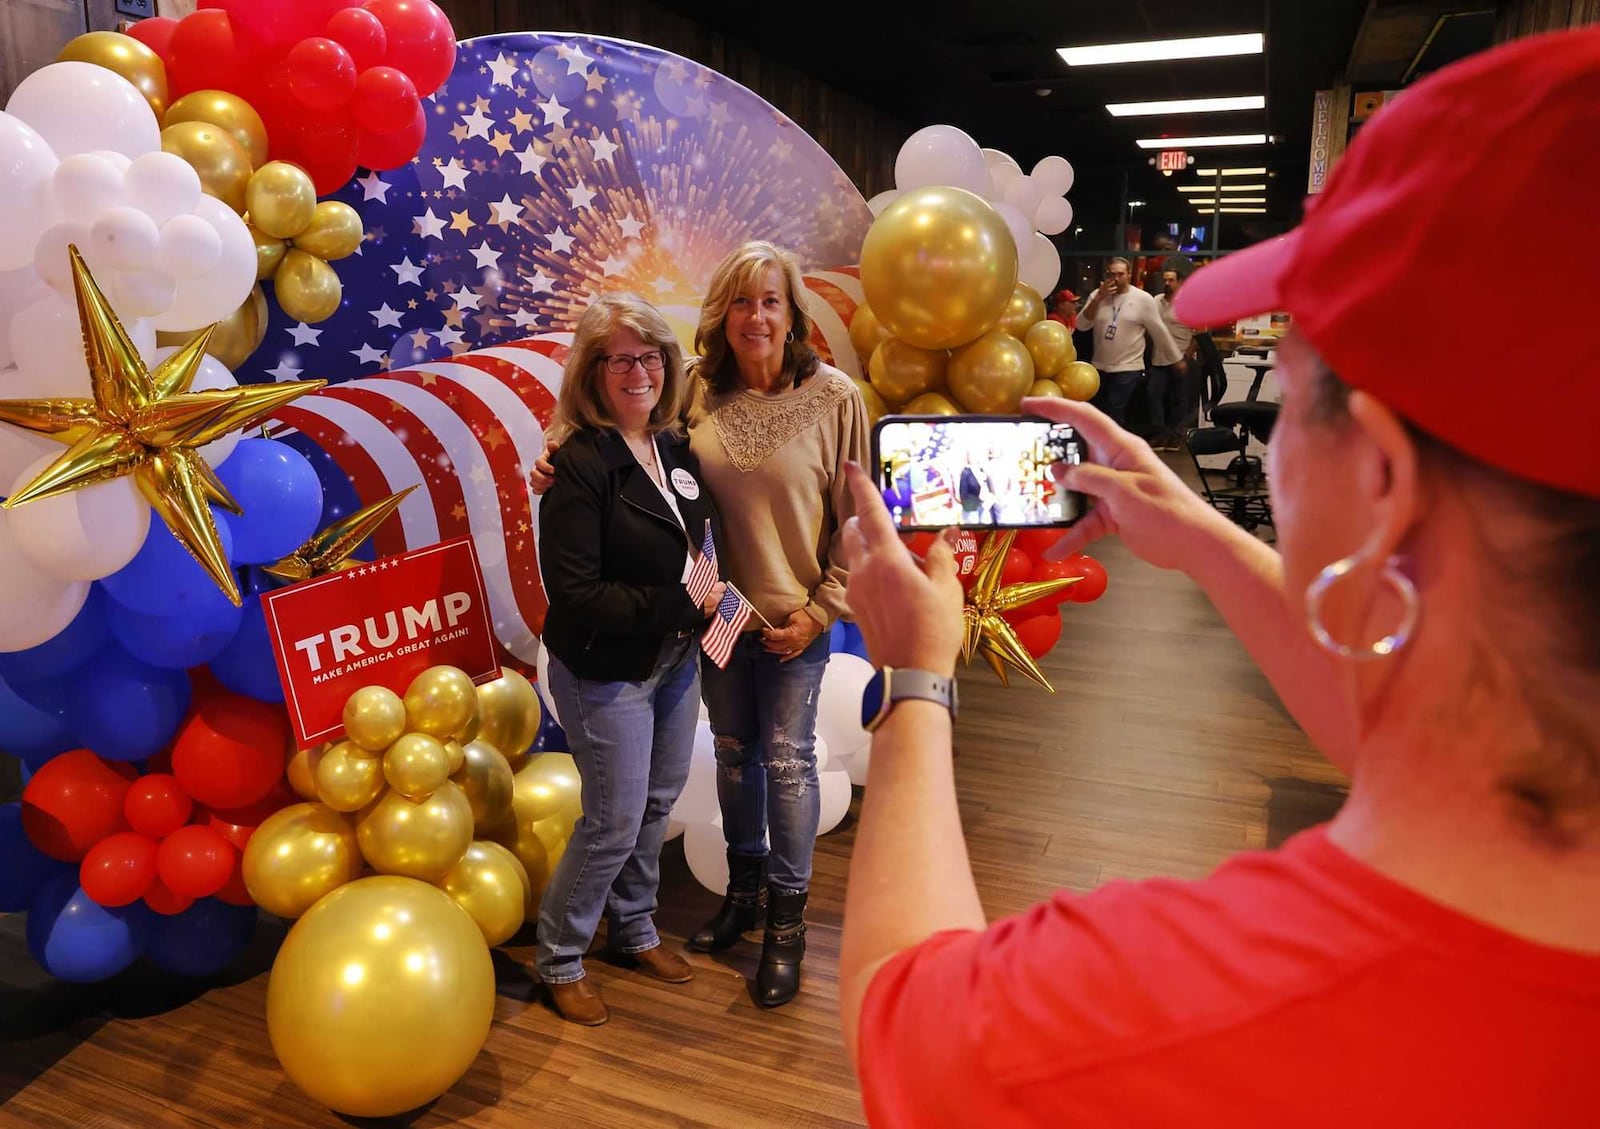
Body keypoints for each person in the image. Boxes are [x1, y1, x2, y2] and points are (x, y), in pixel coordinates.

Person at [836, 28, 1600, 1127]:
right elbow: (1428, 730)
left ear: (1379, 476)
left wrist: (914, 679)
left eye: (1294, 391)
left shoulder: (1168, 1012)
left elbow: (897, 1014)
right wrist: (1196, 533)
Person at [531, 241, 869, 1007]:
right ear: (723, 315)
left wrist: (821, 613)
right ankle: (730, 898)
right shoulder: (695, 403)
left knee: (784, 767)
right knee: (727, 763)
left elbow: (858, 519)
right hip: (705, 637)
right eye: (742, 301)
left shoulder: (836, 397)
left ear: (794, 313)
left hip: (788, 626)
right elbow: (611, 452)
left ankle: (784, 926)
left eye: (771, 300)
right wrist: (557, 453)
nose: (757, 316)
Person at [534, 295, 727, 1026]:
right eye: (622, 359)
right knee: (612, 818)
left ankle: (636, 928)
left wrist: (709, 602)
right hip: (605, 668)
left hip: (674, 660)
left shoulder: (677, 446)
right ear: (594, 370)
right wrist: (685, 605)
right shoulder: (578, 464)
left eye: (651, 356)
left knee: (655, 800)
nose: (640, 371)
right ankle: (559, 956)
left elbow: (697, 540)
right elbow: (578, 594)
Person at [1077, 257, 1182, 435]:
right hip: (1100, 366)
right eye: (1112, 274)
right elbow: (1081, 324)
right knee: (1099, 414)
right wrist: (1098, 299)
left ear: (1129, 275)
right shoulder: (1098, 295)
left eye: (1120, 274)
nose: (1116, 278)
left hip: (1128, 367)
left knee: (1114, 412)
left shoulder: (1143, 299)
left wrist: (1176, 358)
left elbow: (1159, 331)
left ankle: (1114, 453)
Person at [1152, 267, 1199, 450]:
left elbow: (1199, 332)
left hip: (1181, 357)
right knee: (1153, 395)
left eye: (1171, 280)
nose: (1167, 283)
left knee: (1179, 399)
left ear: (1180, 282)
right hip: (1159, 357)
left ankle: (1175, 436)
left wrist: (1187, 355)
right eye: (1165, 280)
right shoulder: (1157, 301)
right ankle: (1160, 433)